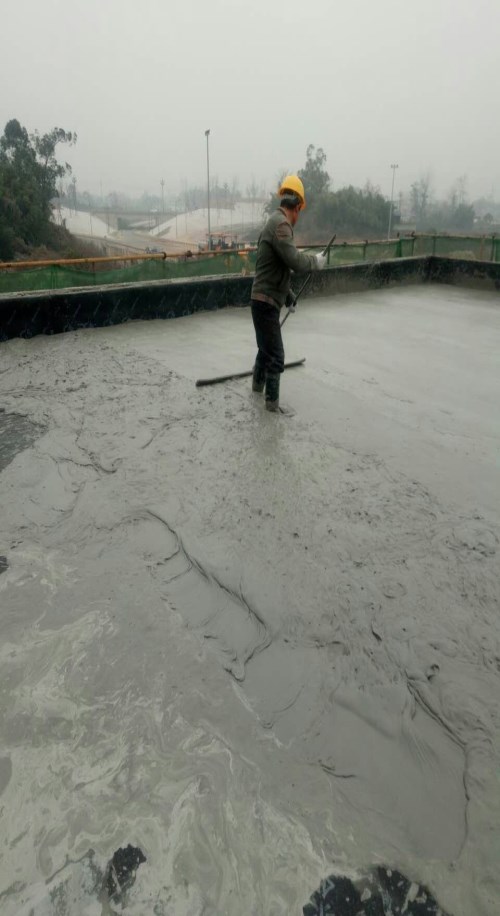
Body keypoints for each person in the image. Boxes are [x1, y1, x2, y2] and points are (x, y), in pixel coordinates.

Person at [250, 175, 327, 412]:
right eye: (299, 211)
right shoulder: (281, 225)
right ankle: (271, 409)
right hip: (265, 303)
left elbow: (278, 267)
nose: (297, 218)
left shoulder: (273, 223)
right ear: (296, 207)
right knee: (276, 356)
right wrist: (315, 262)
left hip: (263, 300)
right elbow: (294, 260)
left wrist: (289, 295)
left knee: (265, 351)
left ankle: (256, 392)